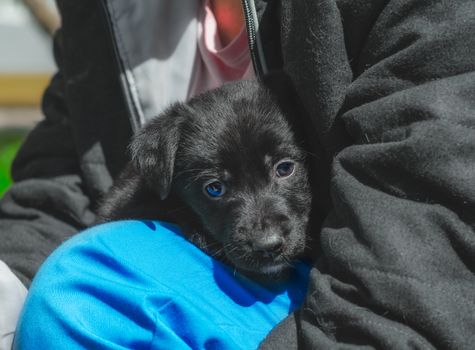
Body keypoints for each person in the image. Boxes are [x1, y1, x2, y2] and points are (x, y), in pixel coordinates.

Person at [1, 0, 474, 349]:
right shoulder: (103, 14)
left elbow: (423, 233)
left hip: (360, 305)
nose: (266, 234)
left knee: (86, 292)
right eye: (215, 188)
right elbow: (60, 186)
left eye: (285, 169)